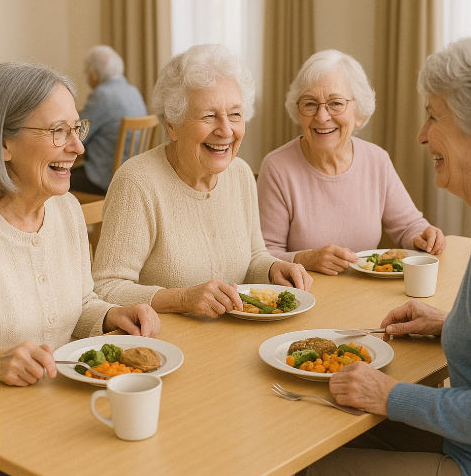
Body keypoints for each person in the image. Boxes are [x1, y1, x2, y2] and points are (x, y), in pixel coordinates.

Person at [299, 30, 471, 476]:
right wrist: (453, 324)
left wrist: (389, 394)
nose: (421, 135)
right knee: (340, 430)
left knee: (307, 467)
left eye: (434, 117)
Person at [91, 43, 313, 317]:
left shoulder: (241, 174)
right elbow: (106, 288)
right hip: (167, 349)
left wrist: (272, 268)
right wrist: (181, 299)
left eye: (235, 115)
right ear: (172, 124)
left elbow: (254, 256)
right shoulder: (137, 183)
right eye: (209, 116)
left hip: (231, 340)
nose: (226, 130)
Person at [0, 61, 160, 387]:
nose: (78, 147)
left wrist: (111, 314)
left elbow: (80, 303)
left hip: (65, 406)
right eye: (58, 131)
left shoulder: (67, 210)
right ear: (5, 144)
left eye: (76, 129)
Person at [257, 49, 445, 276]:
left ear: (359, 113)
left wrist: (423, 237)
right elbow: (263, 256)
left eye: (336, 103)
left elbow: (408, 226)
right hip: (307, 298)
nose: (322, 116)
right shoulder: (278, 167)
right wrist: (305, 259)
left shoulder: (377, 160)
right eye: (310, 104)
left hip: (365, 297)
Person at [70, 45, 149, 195]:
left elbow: (78, 136)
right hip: (130, 175)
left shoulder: (102, 95)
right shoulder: (132, 91)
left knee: (55, 181)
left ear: (94, 74)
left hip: (105, 178)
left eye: (87, 72)